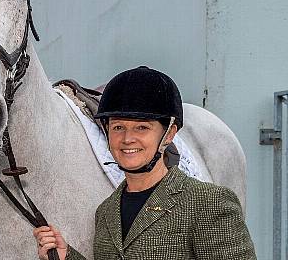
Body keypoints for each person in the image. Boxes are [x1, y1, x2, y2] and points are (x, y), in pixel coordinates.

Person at [33, 66, 256, 260]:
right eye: (118, 127)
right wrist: (67, 256)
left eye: (142, 127)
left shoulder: (208, 203)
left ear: (169, 134)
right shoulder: (106, 212)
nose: (127, 138)